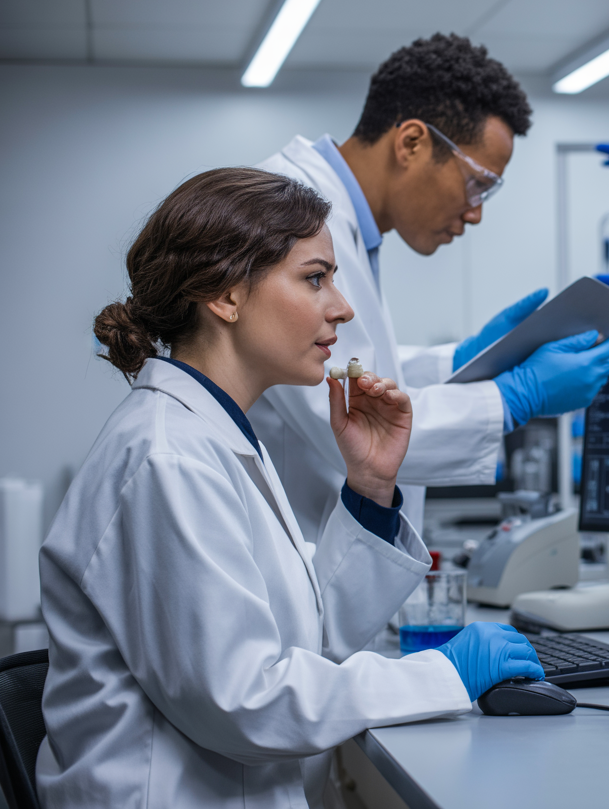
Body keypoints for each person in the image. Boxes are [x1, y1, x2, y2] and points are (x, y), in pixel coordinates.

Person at [37, 168, 544, 809]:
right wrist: (443, 674)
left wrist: (370, 486)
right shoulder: (168, 457)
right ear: (226, 294)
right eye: (315, 278)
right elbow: (244, 701)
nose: (343, 306)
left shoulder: (216, 434)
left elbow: (301, 639)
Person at [254, 33, 609, 540]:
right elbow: (353, 422)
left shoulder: (345, 226)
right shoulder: (288, 213)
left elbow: (354, 371)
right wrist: (516, 397)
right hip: (296, 569)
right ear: (411, 143)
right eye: (477, 184)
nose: (475, 213)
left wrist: (462, 361)